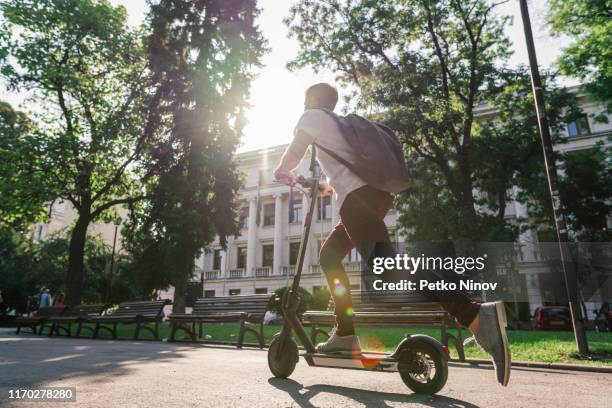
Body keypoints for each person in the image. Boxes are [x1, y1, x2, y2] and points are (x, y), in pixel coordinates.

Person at [274, 83, 511, 386]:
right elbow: (347, 175)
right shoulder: (337, 126)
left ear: (310, 101)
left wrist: (282, 170)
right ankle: (345, 334)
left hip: (357, 203)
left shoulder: (312, 117)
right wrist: (321, 187)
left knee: (387, 271)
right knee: (330, 255)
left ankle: (474, 315)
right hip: (371, 197)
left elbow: (295, 149)